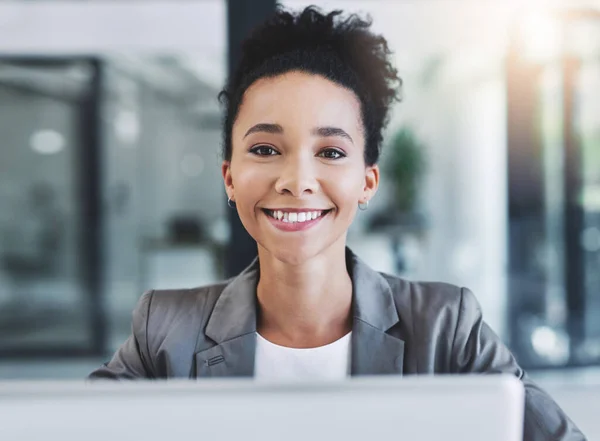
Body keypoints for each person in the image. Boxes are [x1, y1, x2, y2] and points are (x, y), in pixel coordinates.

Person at [89, 5, 585, 441]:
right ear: (230, 177)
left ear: (367, 182)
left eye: (330, 152)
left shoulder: (446, 329)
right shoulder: (165, 332)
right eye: (265, 149)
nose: (297, 180)